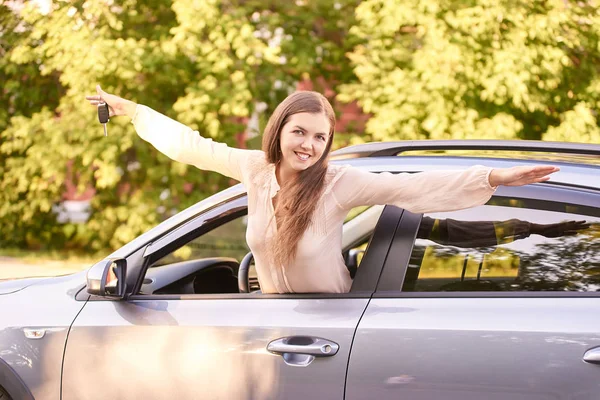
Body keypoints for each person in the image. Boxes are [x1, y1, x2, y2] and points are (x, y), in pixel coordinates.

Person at [86, 86, 560, 294]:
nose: (309, 146)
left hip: (332, 331)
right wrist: (133, 111)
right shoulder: (255, 169)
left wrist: (492, 178)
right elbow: (192, 146)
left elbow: (411, 187)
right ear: (279, 130)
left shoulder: (339, 183)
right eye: (300, 132)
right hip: (277, 329)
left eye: (320, 137)